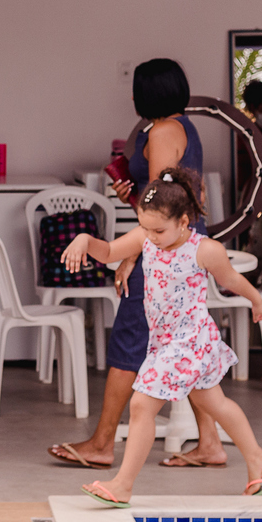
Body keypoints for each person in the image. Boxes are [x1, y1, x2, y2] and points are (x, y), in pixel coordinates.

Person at [61, 169, 262, 506]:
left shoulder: (204, 249)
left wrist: (256, 299)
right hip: (165, 342)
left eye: (159, 230)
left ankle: (123, 484)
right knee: (215, 404)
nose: (150, 237)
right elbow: (108, 252)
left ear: (184, 222)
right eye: (145, 227)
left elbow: (231, 280)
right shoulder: (145, 237)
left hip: (191, 341)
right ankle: (257, 458)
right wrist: (84, 239)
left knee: (141, 404)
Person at [46, 58, 226, 471]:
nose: (131, 97)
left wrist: (130, 255)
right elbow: (168, 200)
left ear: (147, 94)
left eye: (136, 90)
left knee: (129, 341)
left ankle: (102, 443)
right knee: (180, 343)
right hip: (181, 250)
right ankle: (210, 443)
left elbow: (160, 208)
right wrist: (131, 193)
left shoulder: (162, 131)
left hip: (162, 255)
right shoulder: (187, 129)